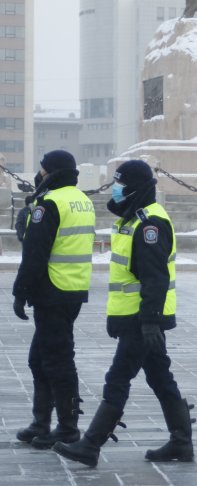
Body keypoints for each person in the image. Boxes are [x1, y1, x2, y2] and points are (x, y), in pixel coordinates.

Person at [53, 160, 194, 467]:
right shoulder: (134, 221)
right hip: (138, 318)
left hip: (142, 320)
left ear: (135, 189)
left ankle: (90, 445)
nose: (116, 189)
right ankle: (182, 442)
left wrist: (150, 321)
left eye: (120, 184)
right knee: (160, 378)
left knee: (117, 379)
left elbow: (155, 278)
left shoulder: (149, 225)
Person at [13, 150, 96, 449]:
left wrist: (20, 292)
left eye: (42, 170)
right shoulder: (80, 199)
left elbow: (35, 255)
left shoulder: (49, 204)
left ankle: (66, 428)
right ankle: (41, 423)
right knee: (40, 358)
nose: (39, 175)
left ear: (51, 172)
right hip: (72, 290)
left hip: (52, 291)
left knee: (57, 361)